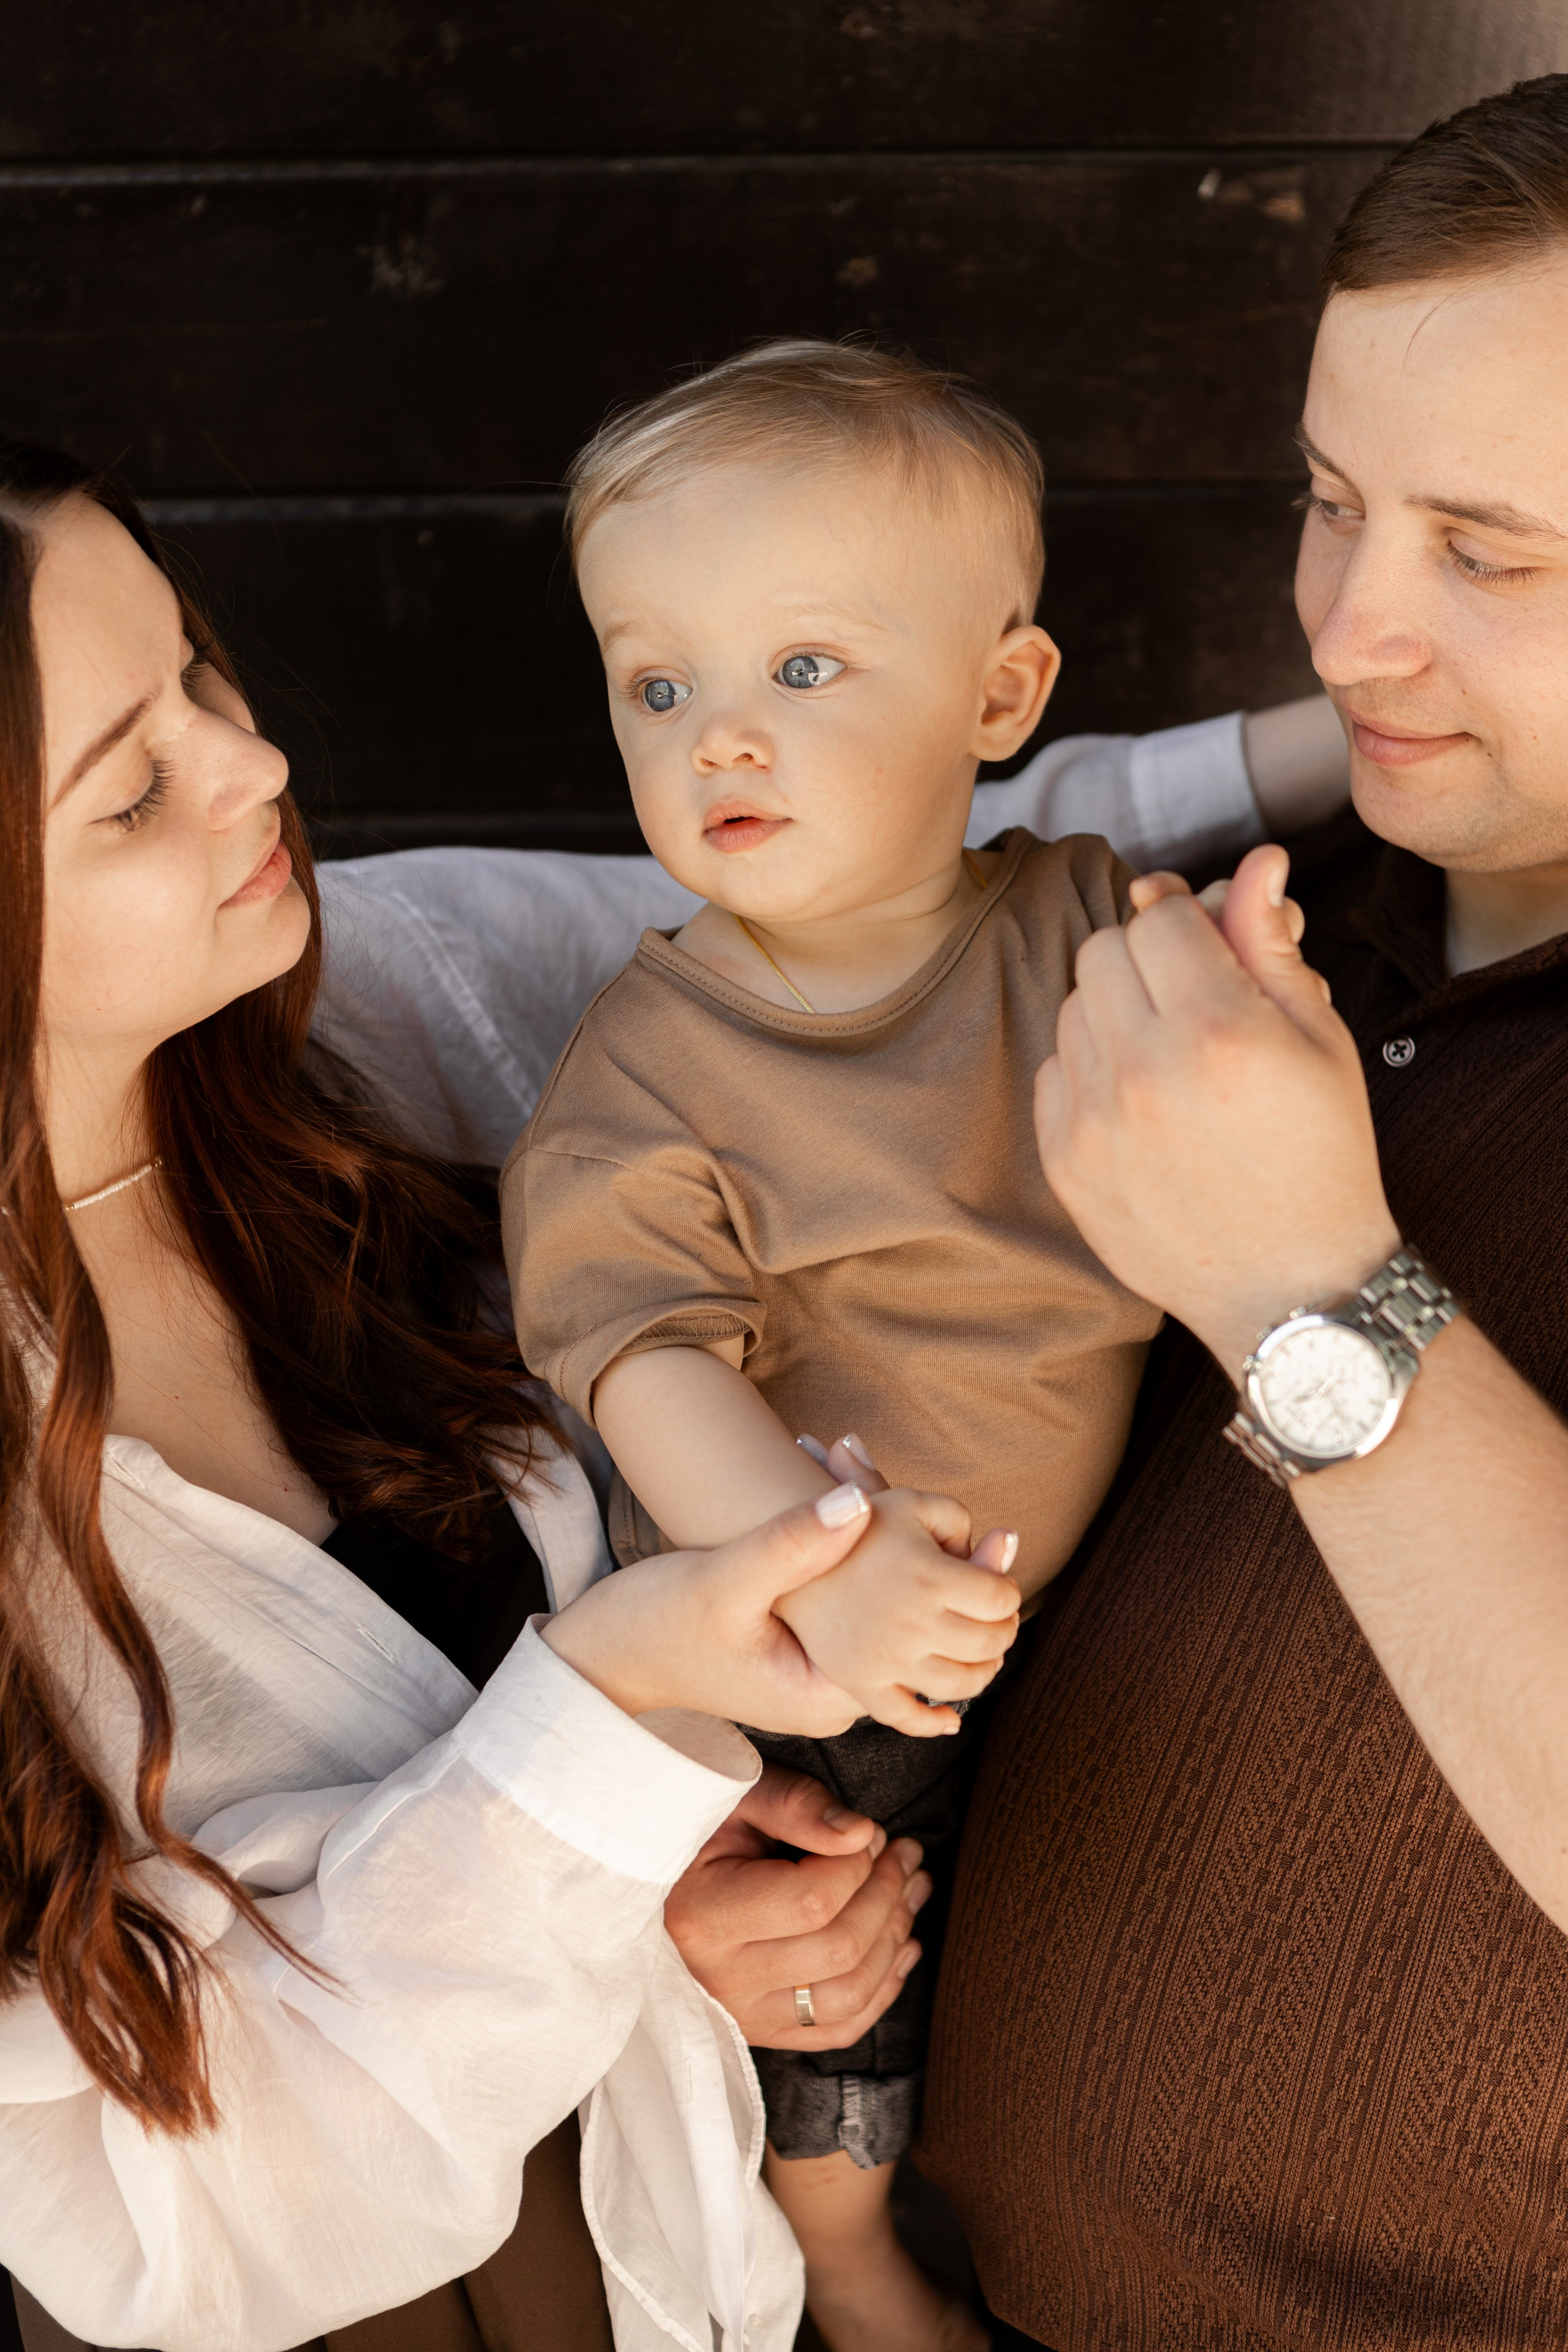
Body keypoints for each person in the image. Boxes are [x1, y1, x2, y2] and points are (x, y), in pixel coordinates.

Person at [0, 432, 944, 2352]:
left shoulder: (380, 1012)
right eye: (131, 793)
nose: (251, 763)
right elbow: (189, 2227)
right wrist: (621, 1693)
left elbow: (901, 877)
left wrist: (654, 1910)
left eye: (197, 670)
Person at [912, 69, 1568, 2352]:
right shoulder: (1226, 925)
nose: (1351, 627)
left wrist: (1307, 1285)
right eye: (1329, 502)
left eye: (1491, 555)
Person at [500, 336, 1214, 2352]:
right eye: (661, 687)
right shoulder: (653, 1064)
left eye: (802, 673)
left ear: (1000, 700)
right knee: (842, 1931)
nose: (720, 741)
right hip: (811, 1638)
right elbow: (639, 1356)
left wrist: (1248, 980)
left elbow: (1216, 1071)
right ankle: (843, 2255)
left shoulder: (1072, 921)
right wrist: (816, 1576)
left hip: (1070, 1591)